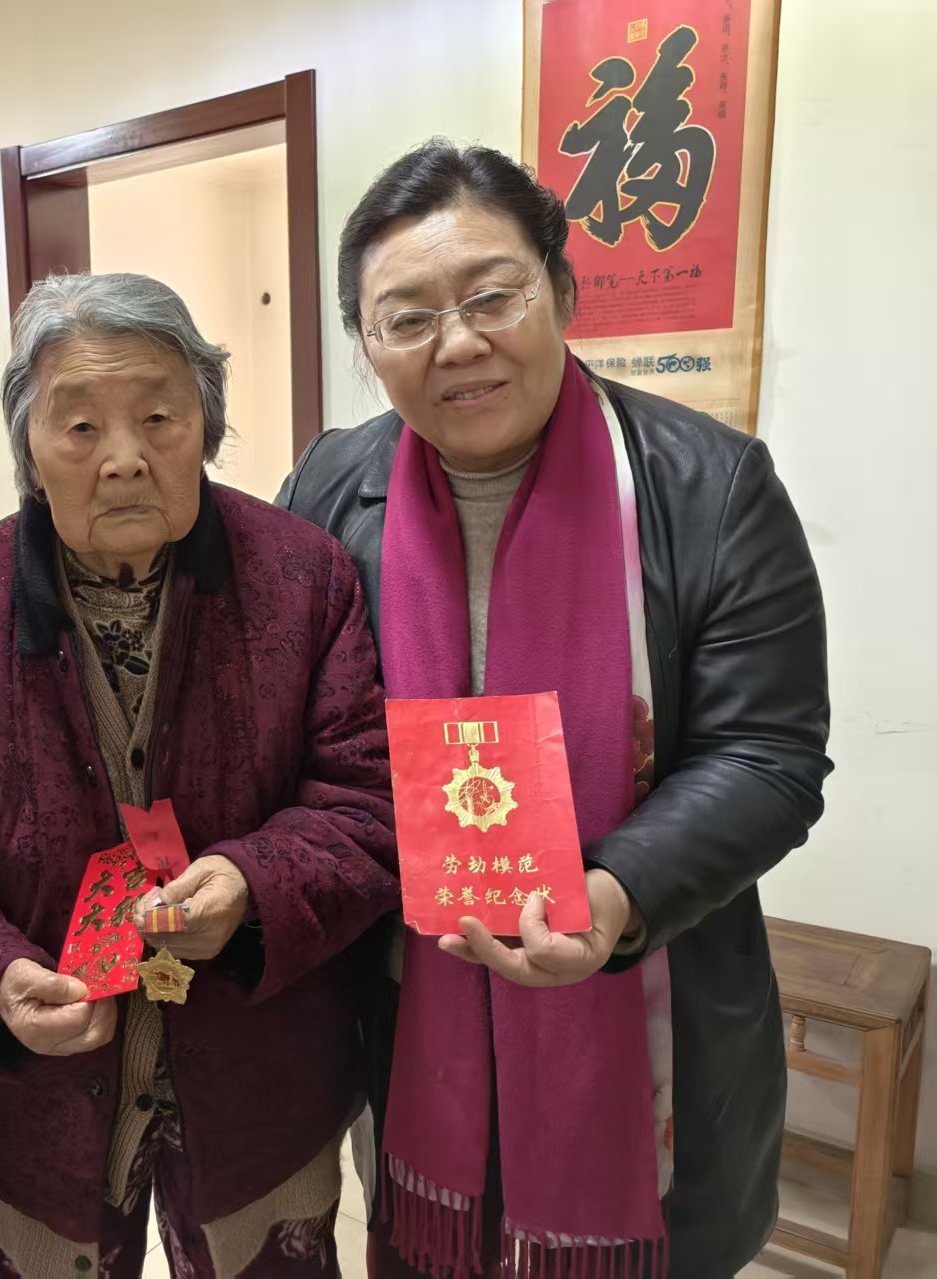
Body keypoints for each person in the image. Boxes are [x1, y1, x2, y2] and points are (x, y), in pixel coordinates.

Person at [278, 141, 831, 1278]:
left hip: (642, 998)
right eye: (407, 318)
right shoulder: (329, 489)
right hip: (411, 1004)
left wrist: (614, 894)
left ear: (562, 293)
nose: (458, 344)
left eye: (493, 297)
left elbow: (767, 755)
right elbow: (292, 729)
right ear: (367, 346)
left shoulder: (709, 485)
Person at [0, 272, 400, 1279]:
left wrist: (252, 885)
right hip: (37, 1097)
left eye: (158, 418)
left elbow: (363, 798)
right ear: (27, 446)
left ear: (207, 427)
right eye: (79, 426)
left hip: (260, 1073)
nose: (123, 458)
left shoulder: (306, 581)